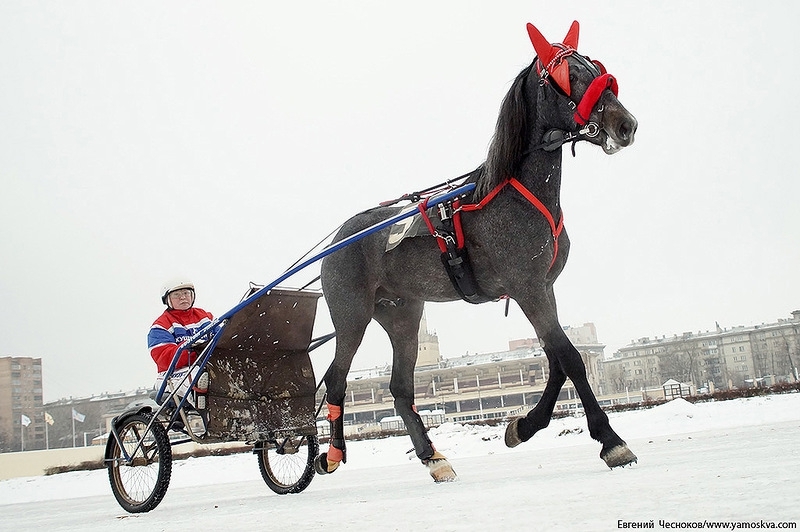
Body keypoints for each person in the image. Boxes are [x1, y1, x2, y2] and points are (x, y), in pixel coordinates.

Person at [147, 279, 215, 410]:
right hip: (172, 374)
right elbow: (164, 358)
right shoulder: (160, 326)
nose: (183, 297)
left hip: (205, 365)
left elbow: (222, 336)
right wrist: (196, 349)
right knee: (199, 376)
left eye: (186, 293)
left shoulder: (205, 317)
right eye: (176, 295)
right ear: (167, 300)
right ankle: (202, 407)